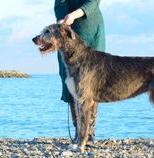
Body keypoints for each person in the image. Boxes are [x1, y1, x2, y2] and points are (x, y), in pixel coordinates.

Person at [54, 0, 105, 142]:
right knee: (70, 79)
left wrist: (74, 15)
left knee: (92, 82)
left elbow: (93, 2)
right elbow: (60, 3)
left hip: (92, 30)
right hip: (65, 30)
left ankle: (89, 132)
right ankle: (79, 130)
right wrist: (61, 20)